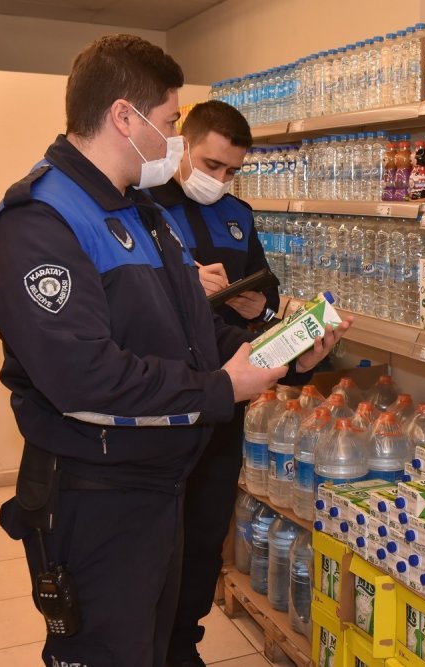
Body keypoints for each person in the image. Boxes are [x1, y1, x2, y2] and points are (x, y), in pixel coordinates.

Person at [0, 35, 349, 667]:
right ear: (124, 118)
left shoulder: (144, 213)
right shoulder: (40, 221)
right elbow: (84, 378)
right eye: (171, 121)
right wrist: (219, 389)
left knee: (161, 643)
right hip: (94, 494)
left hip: (160, 487)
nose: (173, 139)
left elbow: (195, 335)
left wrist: (284, 359)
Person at [147, 101, 278, 667]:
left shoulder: (238, 214)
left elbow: (265, 282)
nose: (219, 179)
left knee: (204, 537)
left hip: (227, 391)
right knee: (156, 541)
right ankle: (146, 645)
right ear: (183, 144)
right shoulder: (142, 206)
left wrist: (259, 303)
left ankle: (183, 646)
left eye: (231, 170)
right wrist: (181, 281)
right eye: (211, 164)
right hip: (167, 396)